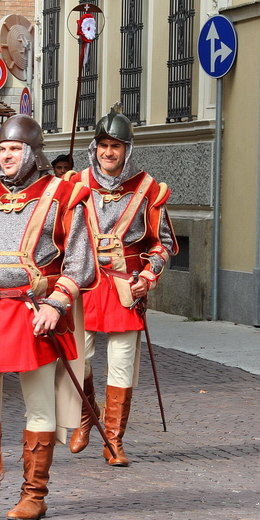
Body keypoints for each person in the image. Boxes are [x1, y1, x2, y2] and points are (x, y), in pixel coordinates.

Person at [0, 115, 95, 520]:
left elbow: (80, 263)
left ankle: (34, 495)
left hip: (35, 311)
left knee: (38, 401)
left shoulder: (64, 196)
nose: (6, 157)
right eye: (2, 150)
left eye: (14, 150)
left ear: (33, 154)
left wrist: (56, 303)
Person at [67, 105, 176, 466]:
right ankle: (86, 416)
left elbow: (163, 244)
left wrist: (149, 275)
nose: (108, 153)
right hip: (82, 284)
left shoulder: (148, 190)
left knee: (122, 364)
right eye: (102, 145)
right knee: (76, 358)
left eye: (115, 146)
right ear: (94, 148)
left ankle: (113, 439)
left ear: (127, 150)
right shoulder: (74, 186)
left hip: (126, 286)